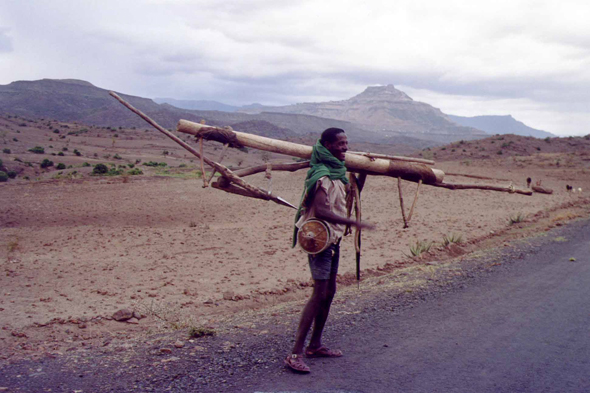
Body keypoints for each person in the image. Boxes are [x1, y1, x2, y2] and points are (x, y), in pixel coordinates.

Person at [285, 127, 373, 373]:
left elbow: (351, 194)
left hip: (333, 240)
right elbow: (323, 211)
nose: (345, 147)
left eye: (347, 142)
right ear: (327, 145)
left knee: (330, 292)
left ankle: (315, 345)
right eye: (340, 143)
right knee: (319, 293)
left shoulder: (338, 173)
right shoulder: (321, 174)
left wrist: (365, 171)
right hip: (318, 240)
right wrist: (354, 223)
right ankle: (295, 353)